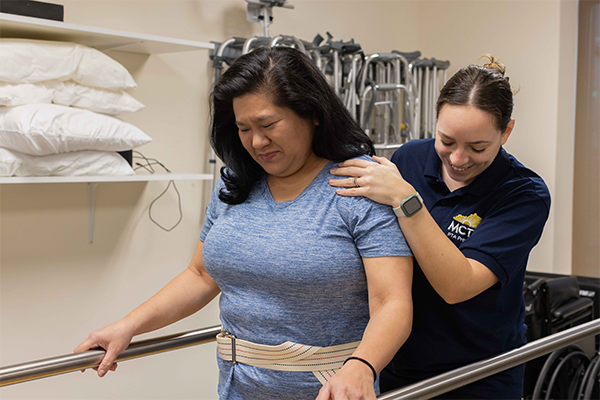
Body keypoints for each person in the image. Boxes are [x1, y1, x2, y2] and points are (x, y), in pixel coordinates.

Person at [74, 46, 414, 400]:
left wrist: (362, 366)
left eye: (268, 125)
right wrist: (129, 326)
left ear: (312, 113)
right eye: (243, 128)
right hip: (239, 388)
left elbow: (392, 301)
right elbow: (200, 276)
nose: (256, 142)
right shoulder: (235, 183)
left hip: (330, 391)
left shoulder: (359, 184)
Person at [329, 55, 551, 400]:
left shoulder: (523, 194)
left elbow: (457, 285)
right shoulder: (409, 159)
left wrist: (407, 200)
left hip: (478, 372)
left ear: (506, 132)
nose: (459, 159)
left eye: (478, 147)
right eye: (447, 141)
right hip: (396, 362)